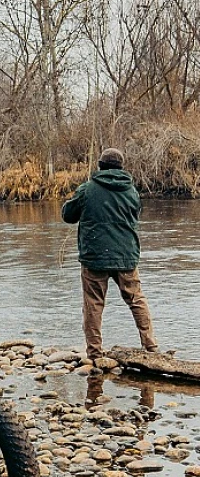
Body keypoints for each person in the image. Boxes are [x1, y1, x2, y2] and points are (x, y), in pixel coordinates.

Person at [61, 147, 158, 362]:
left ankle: (95, 354)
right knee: (136, 300)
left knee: (93, 304)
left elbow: (68, 215)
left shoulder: (87, 189)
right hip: (126, 256)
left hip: (94, 257)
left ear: (100, 166)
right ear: (121, 168)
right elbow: (135, 215)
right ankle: (151, 347)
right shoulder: (131, 191)